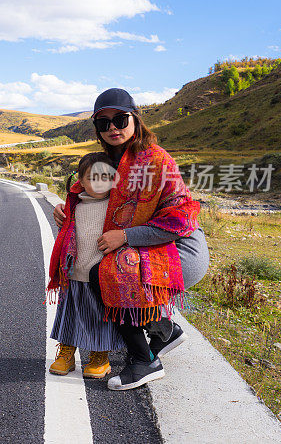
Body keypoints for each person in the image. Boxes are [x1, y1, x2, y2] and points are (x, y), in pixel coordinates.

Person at [49, 88, 208, 390]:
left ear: (135, 119)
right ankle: (163, 332)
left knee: (105, 274)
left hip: (180, 248)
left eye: (120, 120)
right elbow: (93, 191)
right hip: (145, 242)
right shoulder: (112, 158)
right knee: (102, 268)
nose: (112, 128)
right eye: (103, 123)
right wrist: (66, 206)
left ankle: (145, 362)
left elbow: (181, 218)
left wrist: (124, 235)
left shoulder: (156, 160)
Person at [48, 151, 125, 379]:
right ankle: (66, 353)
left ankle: (100, 356)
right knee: (69, 315)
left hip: (100, 276)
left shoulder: (116, 207)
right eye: (92, 178)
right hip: (73, 274)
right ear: (80, 181)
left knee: (100, 317)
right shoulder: (73, 207)